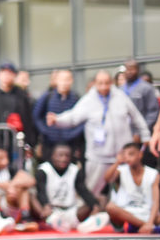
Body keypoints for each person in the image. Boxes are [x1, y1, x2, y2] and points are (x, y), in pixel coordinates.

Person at [47, 69, 150, 197]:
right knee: (91, 192)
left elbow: (136, 117)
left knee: (126, 191)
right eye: (100, 83)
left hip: (123, 156)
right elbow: (73, 117)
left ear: (111, 83)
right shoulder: (88, 100)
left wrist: (145, 135)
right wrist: (57, 119)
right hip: (98, 157)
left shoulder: (121, 96)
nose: (104, 86)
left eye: (107, 83)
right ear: (95, 83)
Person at [33, 142, 109, 233]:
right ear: (53, 156)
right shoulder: (43, 170)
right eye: (60, 155)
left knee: (99, 199)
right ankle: (51, 222)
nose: (63, 159)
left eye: (67, 156)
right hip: (51, 211)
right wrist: (46, 205)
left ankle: (87, 224)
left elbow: (83, 190)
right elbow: (41, 191)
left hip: (71, 211)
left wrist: (94, 205)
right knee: (32, 197)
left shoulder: (75, 170)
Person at [103, 142, 160, 234]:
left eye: (131, 154)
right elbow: (107, 179)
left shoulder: (153, 174)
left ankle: (144, 226)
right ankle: (146, 226)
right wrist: (117, 162)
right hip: (127, 212)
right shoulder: (121, 170)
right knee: (110, 207)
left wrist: (150, 221)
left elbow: (155, 201)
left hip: (147, 211)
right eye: (124, 155)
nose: (127, 158)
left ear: (140, 155)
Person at [33, 68, 84, 158]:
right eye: (62, 80)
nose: (64, 83)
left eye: (67, 80)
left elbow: (82, 119)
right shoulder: (47, 96)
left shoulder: (76, 98)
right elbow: (36, 116)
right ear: (56, 80)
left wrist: (73, 134)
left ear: (71, 81)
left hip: (70, 144)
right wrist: (46, 131)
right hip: (50, 144)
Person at [0, 145, 36, 230]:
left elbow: (31, 180)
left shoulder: (9, 169)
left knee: (22, 189)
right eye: (1, 158)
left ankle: (24, 219)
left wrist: (12, 186)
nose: (5, 161)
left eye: (6, 158)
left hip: (4, 202)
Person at [0, 62, 36, 149]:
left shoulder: (22, 95)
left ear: (15, 76)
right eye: (4, 72)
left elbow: (28, 119)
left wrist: (30, 142)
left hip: (16, 140)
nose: (6, 76)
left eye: (10, 73)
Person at [121, 59, 160, 134]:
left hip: (141, 133)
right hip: (124, 132)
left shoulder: (146, 88)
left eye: (132, 69)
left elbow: (153, 112)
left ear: (138, 70)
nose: (129, 72)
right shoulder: (120, 89)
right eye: (127, 69)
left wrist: (142, 132)